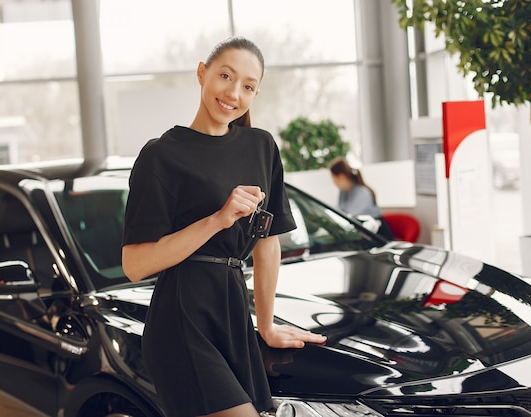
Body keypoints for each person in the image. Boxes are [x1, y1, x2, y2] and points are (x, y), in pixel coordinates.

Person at [121, 36, 326, 417]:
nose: (233, 92)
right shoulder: (161, 154)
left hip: (233, 313)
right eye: (225, 76)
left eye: (247, 86)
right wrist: (218, 220)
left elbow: (267, 243)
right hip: (181, 317)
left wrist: (265, 325)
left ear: (256, 93)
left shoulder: (261, 146)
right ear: (202, 73)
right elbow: (135, 265)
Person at [328, 156, 394, 240]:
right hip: (360, 233)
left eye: (333, 178)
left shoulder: (362, 192)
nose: (333, 182)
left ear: (341, 176)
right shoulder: (343, 192)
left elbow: (352, 218)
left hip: (376, 233)